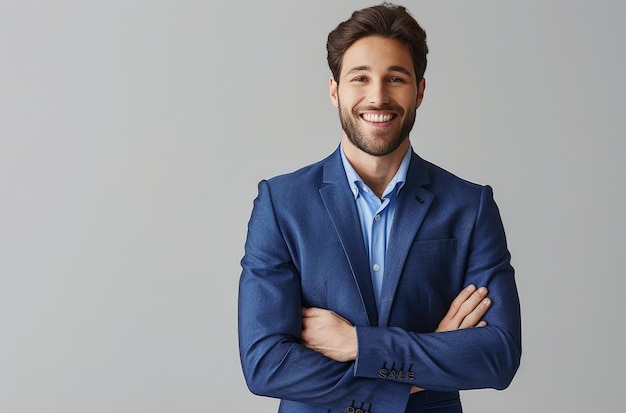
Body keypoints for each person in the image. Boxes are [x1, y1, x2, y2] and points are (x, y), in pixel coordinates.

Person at [238, 3, 521, 412]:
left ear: (420, 90)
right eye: (360, 78)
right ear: (334, 89)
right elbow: (265, 364)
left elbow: (498, 355)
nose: (378, 96)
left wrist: (357, 344)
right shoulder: (282, 204)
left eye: (395, 78)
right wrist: (420, 366)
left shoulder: (469, 206)